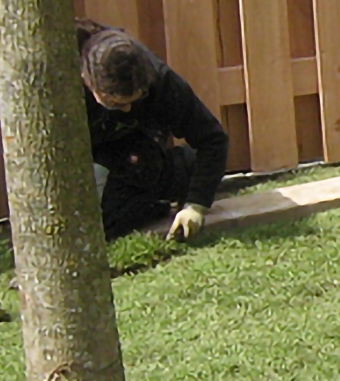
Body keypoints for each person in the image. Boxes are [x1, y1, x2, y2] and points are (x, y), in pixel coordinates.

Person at [78, 20, 230, 241]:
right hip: (93, 152)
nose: (127, 108)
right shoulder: (64, 81)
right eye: (117, 104)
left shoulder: (161, 82)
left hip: (138, 147)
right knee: (104, 224)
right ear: (88, 82)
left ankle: (178, 170)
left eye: (134, 101)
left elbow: (212, 139)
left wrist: (196, 206)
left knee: (142, 179)